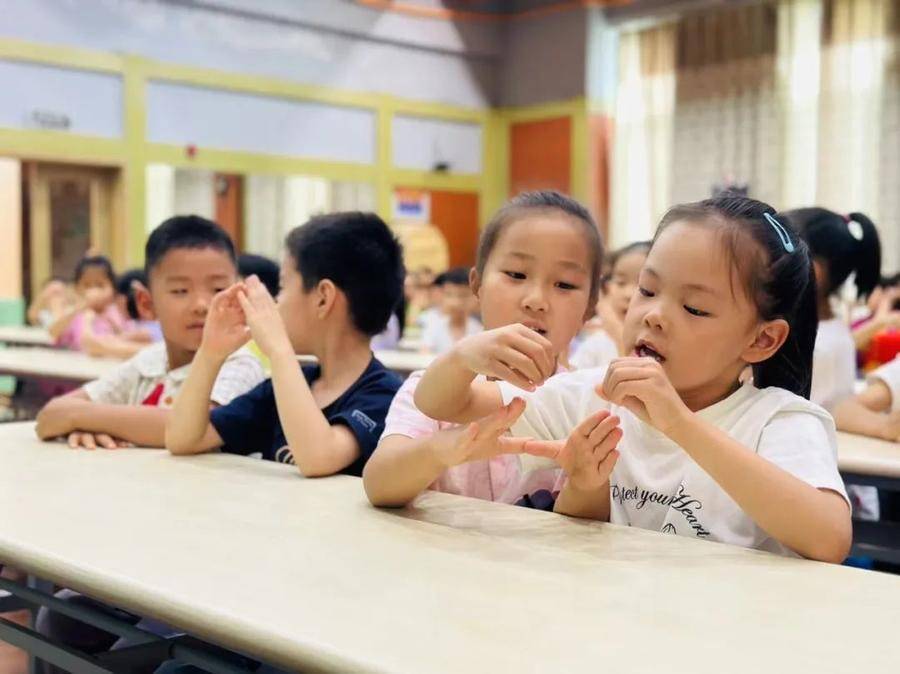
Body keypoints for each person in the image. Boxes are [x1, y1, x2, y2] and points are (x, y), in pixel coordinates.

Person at [416, 196, 851, 562]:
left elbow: (828, 538)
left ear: (761, 340)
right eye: (647, 290)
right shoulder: (592, 395)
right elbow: (442, 403)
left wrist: (678, 423)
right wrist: (462, 358)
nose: (654, 315)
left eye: (694, 308)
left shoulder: (779, 419)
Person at [364, 191, 603, 509]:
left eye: (565, 285)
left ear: (589, 307)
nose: (535, 299)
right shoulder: (430, 388)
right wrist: (439, 451)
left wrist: (587, 483)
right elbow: (379, 485)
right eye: (516, 275)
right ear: (476, 284)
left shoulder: (589, 403)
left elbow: (594, 527)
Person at [165, 212, 405, 478]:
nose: (276, 302)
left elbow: (318, 458)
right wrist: (210, 353)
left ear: (323, 298)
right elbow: (182, 439)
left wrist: (278, 348)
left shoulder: (386, 395)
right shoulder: (284, 386)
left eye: (282, 287)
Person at [35, 216, 265, 449]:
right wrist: (86, 424)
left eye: (218, 289)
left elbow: (189, 430)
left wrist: (83, 418)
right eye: (180, 290)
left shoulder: (240, 365)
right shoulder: (149, 363)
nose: (201, 305)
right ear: (146, 303)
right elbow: (50, 416)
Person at [571, 241, 651, 369]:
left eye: (642, 286)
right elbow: (568, 381)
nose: (628, 294)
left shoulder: (654, 347)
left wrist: (617, 333)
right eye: (621, 283)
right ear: (606, 287)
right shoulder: (597, 340)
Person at [420, 266, 482, 354]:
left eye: (463, 295)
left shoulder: (478, 330)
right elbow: (424, 356)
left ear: (474, 297)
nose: (455, 302)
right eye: (449, 295)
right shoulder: (434, 328)